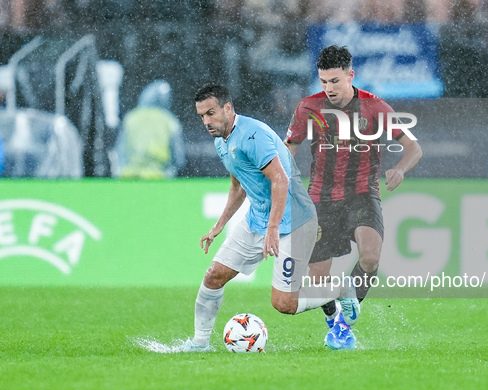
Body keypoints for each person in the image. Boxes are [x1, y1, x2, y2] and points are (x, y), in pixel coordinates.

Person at [179, 84, 358, 352]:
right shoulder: (221, 142)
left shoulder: (254, 136)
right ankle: (200, 344)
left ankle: (340, 289)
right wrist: (219, 225)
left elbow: (280, 180)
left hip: (295, 222)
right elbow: (238, 186)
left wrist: (273, 229)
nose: (206, 121)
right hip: (258, 219)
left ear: (228, 108)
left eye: (211, 113)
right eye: (201, 116)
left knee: (284, 304)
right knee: (214, 276)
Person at [285, 45, 423, 350]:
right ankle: (334, 322)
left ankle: (344, 326)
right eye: (323, 81)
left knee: (371, 256)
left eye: (335, 81)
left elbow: (414, 148)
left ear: (351, 75)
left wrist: (399, 170)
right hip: (321, 198)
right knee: (319, 281)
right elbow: (286, 151)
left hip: (362, 193)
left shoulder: (375, 108)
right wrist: (284, 185)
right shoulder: (308, 107)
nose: (329, 88)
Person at [113, 79, 185, 179]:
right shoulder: (169, 121)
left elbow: (119, 150)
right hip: (158, 176)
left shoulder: (131, 118)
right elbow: (179, 157)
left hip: (129, 176)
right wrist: (172, 171)